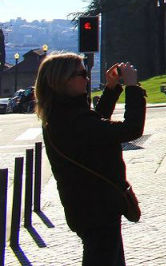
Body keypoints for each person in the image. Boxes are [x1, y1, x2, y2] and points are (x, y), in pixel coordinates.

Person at [36, 53, 145, 266]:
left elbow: (95, 126)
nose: (87, 79)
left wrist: (112, 89)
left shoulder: (63, 114)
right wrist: (132, 86)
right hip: (97, 211)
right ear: (62, 80)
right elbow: (131, 129)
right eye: (82, 74)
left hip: (90, 209)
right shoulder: (72, 120)